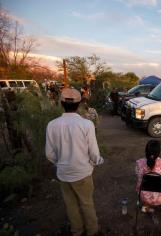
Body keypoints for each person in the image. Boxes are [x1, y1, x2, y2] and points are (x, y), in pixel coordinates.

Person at [46, 88, 103, 236]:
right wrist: (95, 162)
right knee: (87, 203)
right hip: (83, 172)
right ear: (78, 104)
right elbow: (94, 153)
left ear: (61, 103)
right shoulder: (86, 125)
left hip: (63, 174)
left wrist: (60, 164)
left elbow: (49, 154)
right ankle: (92, 231)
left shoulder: (52, 125)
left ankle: (76, 231)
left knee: (71, 205)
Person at [135, 140, 161, 214]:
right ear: (158, 152)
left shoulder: (139, 163)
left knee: (143, 186)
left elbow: (138, 177)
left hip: (144, 196)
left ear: (146, 151)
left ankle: (146, 206)